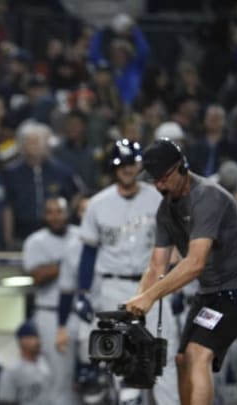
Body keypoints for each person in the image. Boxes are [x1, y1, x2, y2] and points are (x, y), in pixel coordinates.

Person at [124, 138, 237, 405]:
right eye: (154, 180)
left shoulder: (208, 197)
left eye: (162, 178)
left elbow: (194, 264)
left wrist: (149, 298)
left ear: (180, 166)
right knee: (182, 360)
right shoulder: (166, 209)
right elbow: (156, 266)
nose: (158, 185)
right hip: (211, 292)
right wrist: (134, 304)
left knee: (197, 354)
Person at [61, 139, 180, 404]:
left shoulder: (157, 197)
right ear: (113, 168)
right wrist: (82, 292)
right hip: (114, 287)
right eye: (122, 164)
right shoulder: (97, 204)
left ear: (140, 166)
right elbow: (89, 252)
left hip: (154, 285)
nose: (127, 169)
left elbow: (174, 244)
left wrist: (175, 285)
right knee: (119, 356)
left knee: (164, 354)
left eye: (132, 163)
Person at [21, 196, 79, 404]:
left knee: (89, 375)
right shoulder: (36, 240)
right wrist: (69, 262)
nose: (55, 217)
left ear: (67, 213)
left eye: (59, 211)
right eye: (50, 212)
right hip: (50, 313)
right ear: (45, 216)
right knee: (58, 377)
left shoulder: (80, 235)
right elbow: (37, 275)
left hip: (82, 312)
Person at [0, 321, 54, 405]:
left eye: (37, 337)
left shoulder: (45, 363)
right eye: (32, 337)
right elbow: (5, 401)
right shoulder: (11, 370)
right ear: (22, 341)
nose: (37, 341)